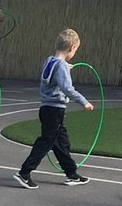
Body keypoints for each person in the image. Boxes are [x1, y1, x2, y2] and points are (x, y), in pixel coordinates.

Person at [13, 28, 94, 189]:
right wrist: (84, 102)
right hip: (55, 109)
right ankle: (24, 172)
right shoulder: (60, 66)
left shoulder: (50, 60)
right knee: (46, 141)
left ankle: (71, 173)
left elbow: (54, 72)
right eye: (76, 50)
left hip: (47, 108)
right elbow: (67, 89)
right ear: (72, 48)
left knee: (61, 142)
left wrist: (65, 67)